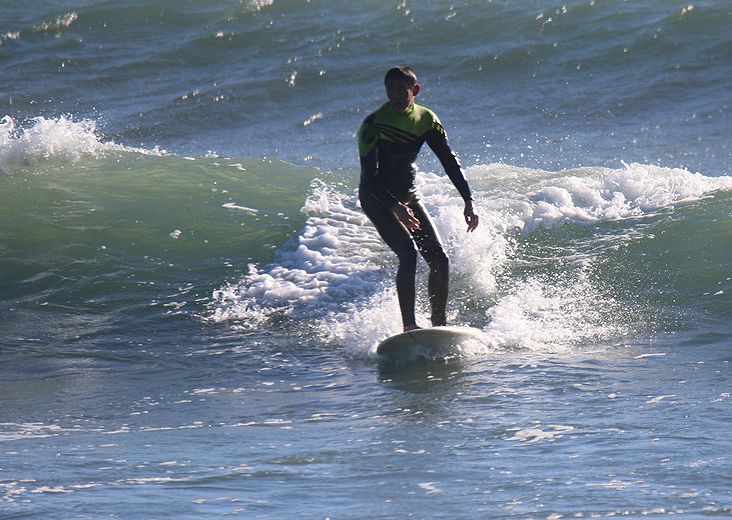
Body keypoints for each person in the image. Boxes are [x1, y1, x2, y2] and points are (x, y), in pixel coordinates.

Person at [358, 66, 479, 332]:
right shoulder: (374, 124)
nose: (396, 96)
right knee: (408, 253)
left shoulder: (426, 120)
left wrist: (468, 200)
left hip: (408, 195)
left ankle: (438, 325)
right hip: (377, 198)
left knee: (439, 260)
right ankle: (410, 326)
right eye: (390, 90)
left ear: (415, 90)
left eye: (402, 90)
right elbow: (369, 178)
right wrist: (396, 207)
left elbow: (449, 161)